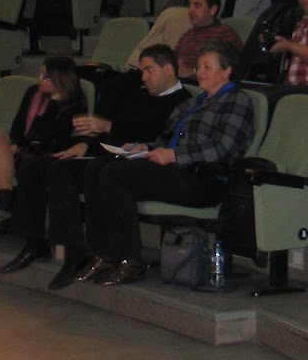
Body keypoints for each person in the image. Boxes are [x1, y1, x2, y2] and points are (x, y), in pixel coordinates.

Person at [1, 45, 188, 283]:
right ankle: (54, 247)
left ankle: (105, 254)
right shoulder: (139, 94)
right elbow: (114, 133)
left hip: (143, 164)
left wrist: (108, 127)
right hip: (113, 154)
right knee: (45, 166)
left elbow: (152, 134)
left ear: (168, 69)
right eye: (142, 71)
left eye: (149, 70)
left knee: (95, 170)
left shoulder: (183, 102)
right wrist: (85, 144)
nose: (143, 77)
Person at [76, 45, 256, 285]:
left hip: (204, 178)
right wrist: (145, 147)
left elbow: (222, 149)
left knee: (115, 174)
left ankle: (129, 259)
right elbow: (166, 138)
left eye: (207, 67)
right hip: (175, 171)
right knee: (97, 167)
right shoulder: (194, 103)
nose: (200, 72)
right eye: (198, 67)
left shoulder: (237, 100)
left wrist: (173, 155)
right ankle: (102, 253)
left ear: (227, 71)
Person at [0, 56, 83, 251]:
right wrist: (15, 145)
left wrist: (53, 103)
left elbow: (47, 138)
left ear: (60, 80)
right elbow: (18, 126)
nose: (39, 79)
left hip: (41, 159)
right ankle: (2, 199)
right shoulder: (32, 92)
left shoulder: (74, 104)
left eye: (45, 77)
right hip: (22, 151)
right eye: (40, 74)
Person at [173, 0, 243, 78]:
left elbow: (227, 71)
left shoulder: (224, 33)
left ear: (212, 10)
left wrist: (191, 73)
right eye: (189, 5)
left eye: (197, 5)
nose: (190, 10)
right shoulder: (187, 34)